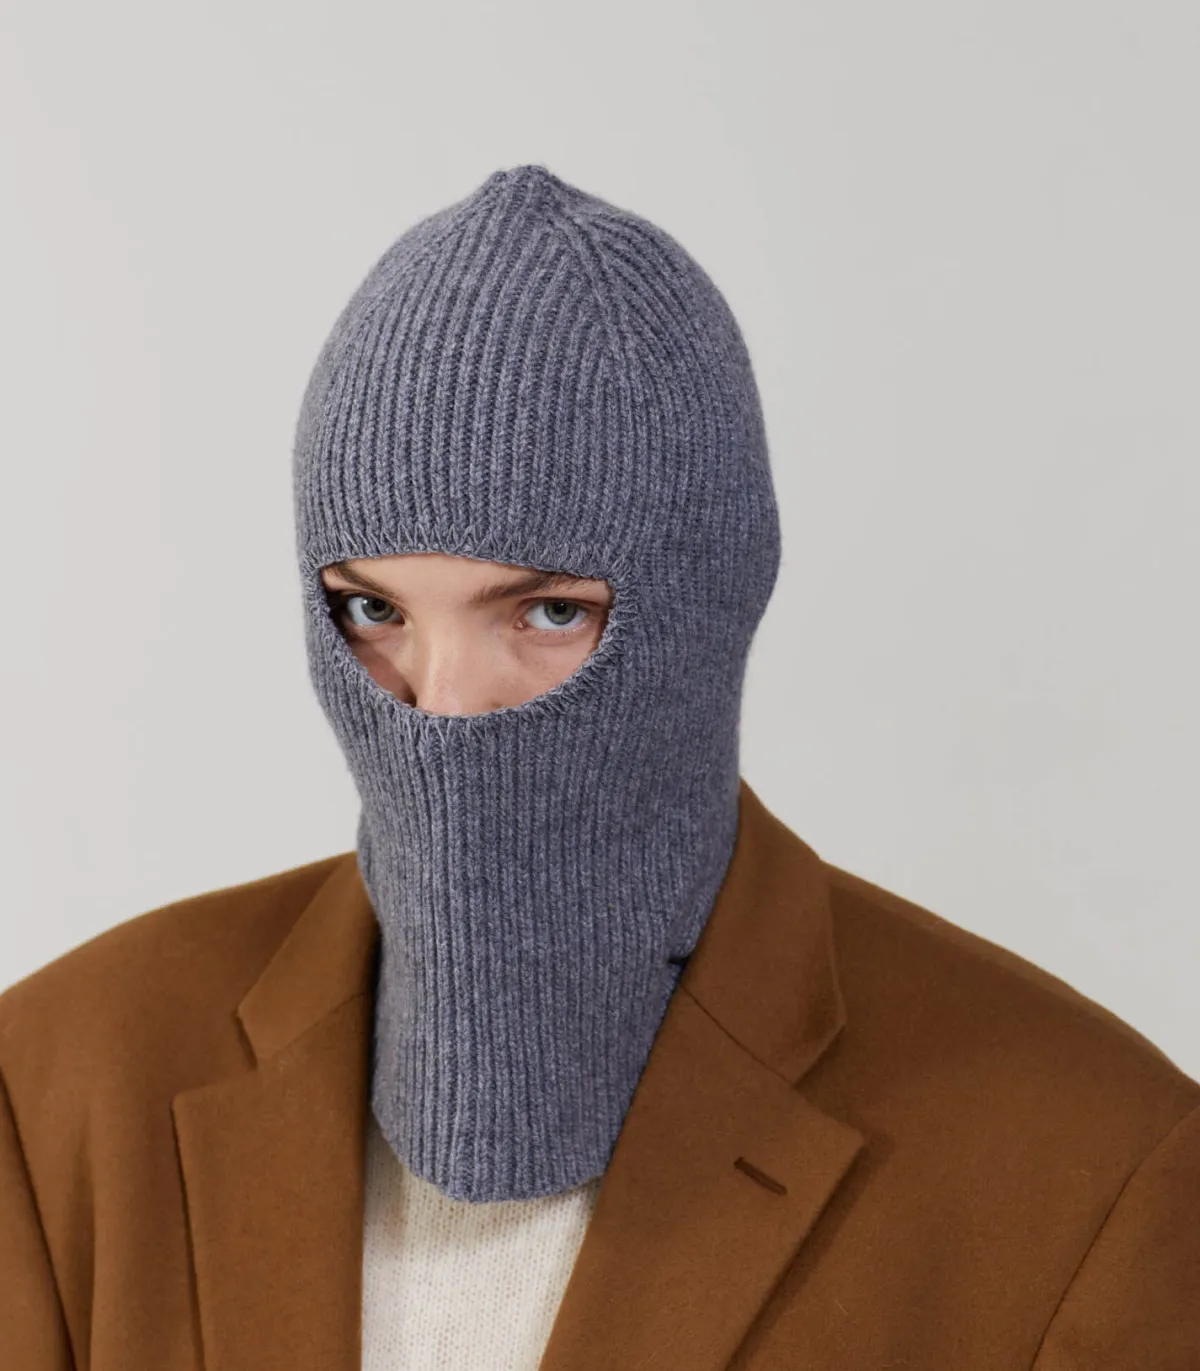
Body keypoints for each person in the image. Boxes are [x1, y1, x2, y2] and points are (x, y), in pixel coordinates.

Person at [1, 164, 1196, 1370]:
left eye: (548, 612)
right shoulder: (58, 1091)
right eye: (374, 610)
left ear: (710, 599)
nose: (446, 706)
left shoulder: (1093, 1172)